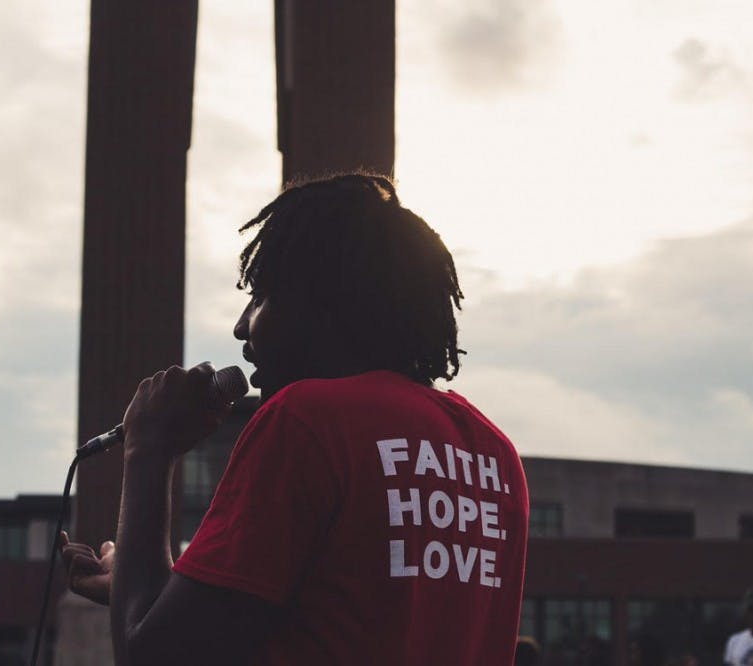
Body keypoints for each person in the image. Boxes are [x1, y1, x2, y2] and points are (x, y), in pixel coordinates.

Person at [60, 173, 530, 665]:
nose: (242, 326)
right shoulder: (495, 454)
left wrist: (147, 449)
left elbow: (148, 657)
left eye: (260, 297)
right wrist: (141, 586)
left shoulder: (309, 420)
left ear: (322, 304)